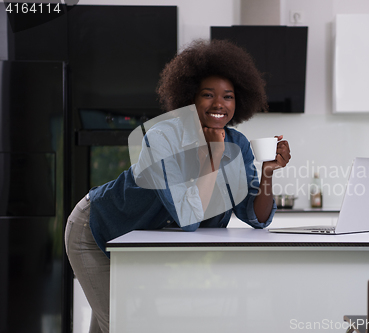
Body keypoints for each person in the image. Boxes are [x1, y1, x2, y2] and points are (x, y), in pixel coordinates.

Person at [64, 39, 291, 333]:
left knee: (113, 323)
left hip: (134, 245)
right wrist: (212, 159)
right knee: (123, 325)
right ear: (190, 98)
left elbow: (257, 218)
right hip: (96, 231)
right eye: (208, 94)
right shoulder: (162, 139)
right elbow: (189, 219)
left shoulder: (238, 144)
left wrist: (267, 173)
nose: (219, 104)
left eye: (229, 96)